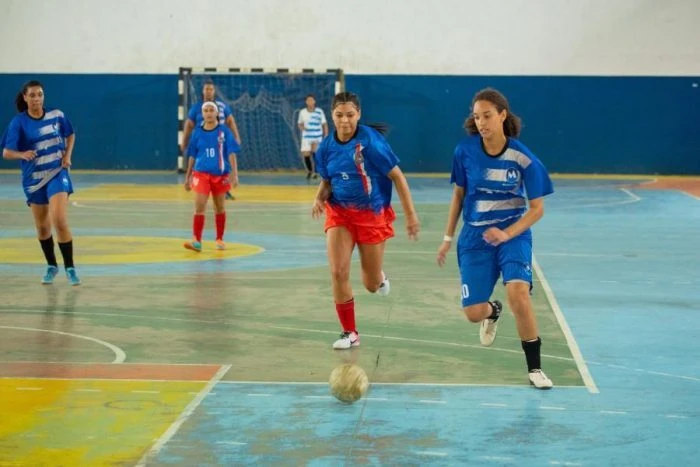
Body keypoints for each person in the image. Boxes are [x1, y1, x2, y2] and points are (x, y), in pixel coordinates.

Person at [436, 88, 554, 389]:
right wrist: (448, 237)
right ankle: (493, 311)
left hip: (513, 234)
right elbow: (459, 194)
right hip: (475, 237)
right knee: (473, 313)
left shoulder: (523, 158)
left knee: (518, 293)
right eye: (477, 117)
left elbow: (537, 209)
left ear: (502, 115)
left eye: (487, 116)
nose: (481, 123)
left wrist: (508, 233)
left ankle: (535, 368)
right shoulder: (464, 151)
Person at [311, 91, 420, 350]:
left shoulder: (371, 142)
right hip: (340, 212)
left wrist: (411, 215)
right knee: (338, 272)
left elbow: (398, 176)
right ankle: (350, 333)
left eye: (350, 115)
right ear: (332, 115)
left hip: (371, 215)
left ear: (358, 114)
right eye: (339, 115)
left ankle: (379, 276)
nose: (345, 121)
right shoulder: (325, 148)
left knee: (371, 285)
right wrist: (318, 198)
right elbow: (328, 180)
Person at [1, 80, 80, 286]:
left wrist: (67, 156)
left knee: (59, 219)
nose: (37, 99)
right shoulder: (18, 122)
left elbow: (71, 134)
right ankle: (52, 265)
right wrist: (22, 154)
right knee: (43, 227)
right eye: (32, 95)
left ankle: (70, 267)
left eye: (40, 94)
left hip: (57, 172)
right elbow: (7, 152)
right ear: (25, 98)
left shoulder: (57, 115)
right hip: (34, 180)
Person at [183, 101, 240, 252]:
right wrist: (188, 176)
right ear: (202, 114)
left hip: (220, 175)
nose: (208, 113)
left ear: (216, 113)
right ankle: (197, 241)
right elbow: (192, 155)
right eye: (206, 110)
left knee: (219, 207)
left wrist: (235, 174)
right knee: (199, 206)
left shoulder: (223, 131)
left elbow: (231, 153)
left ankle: (219, 239)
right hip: (201, 174)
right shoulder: (197, 133)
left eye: (211, 110)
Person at [181, 80, 241, 200]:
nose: (208, 91)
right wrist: (184, 140)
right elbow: (189, 124)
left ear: (214, 91)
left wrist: (236, 136)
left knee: (222, 164)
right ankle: (200, 186)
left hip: (219, 141)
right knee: (200, 164)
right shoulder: (196, 108)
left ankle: (224, 189)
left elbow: (230, 120)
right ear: (203, 91)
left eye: (211, 89)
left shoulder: (222, 106)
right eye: (206, 89)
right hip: (203, 142)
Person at [297, 94, 328, 180]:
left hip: (317, 136)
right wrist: (302, 128)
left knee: (316, 153)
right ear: (306, 102)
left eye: (312, 100)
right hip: (306, 136)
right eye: (308, 100)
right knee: (306, 154)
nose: (310, 102)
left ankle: (317, 173)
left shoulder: (319, 111)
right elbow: (299, 123)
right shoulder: (302, 112)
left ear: (314, 101)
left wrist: (325, 134)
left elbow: (324, 124)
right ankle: (310, 171)